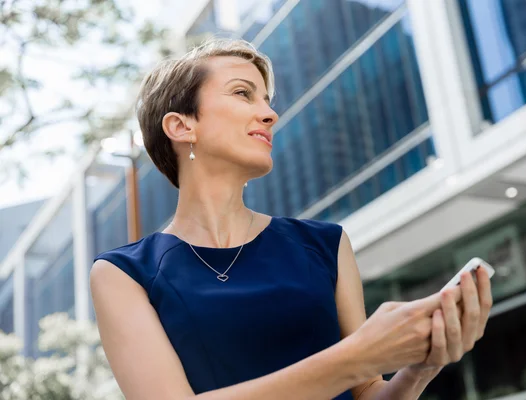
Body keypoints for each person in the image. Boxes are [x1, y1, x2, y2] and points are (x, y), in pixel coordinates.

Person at [90, 37, 493, 400]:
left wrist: (420, 368)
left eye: (267, 100)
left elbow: (368, 393)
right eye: (243, 94)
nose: (270, 115)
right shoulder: (123, 274)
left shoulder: (325, 245)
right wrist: (361, 354)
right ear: (181, 125)